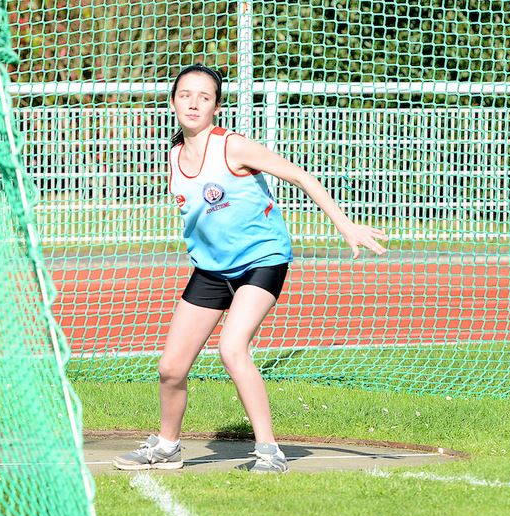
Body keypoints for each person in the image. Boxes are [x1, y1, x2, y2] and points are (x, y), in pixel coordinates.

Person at [113, 64, 388, 473]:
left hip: (262, 259)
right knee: (170, 368)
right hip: (211, 270)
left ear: (216, 107)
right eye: (185, 95)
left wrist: (345, 224)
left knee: (231, 348)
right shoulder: (174, 156)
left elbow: (299, 175)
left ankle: (269, 452)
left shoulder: (233, 147)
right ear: (172, 102)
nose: (193, 103)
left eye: (204, 97)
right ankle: (167, 447)